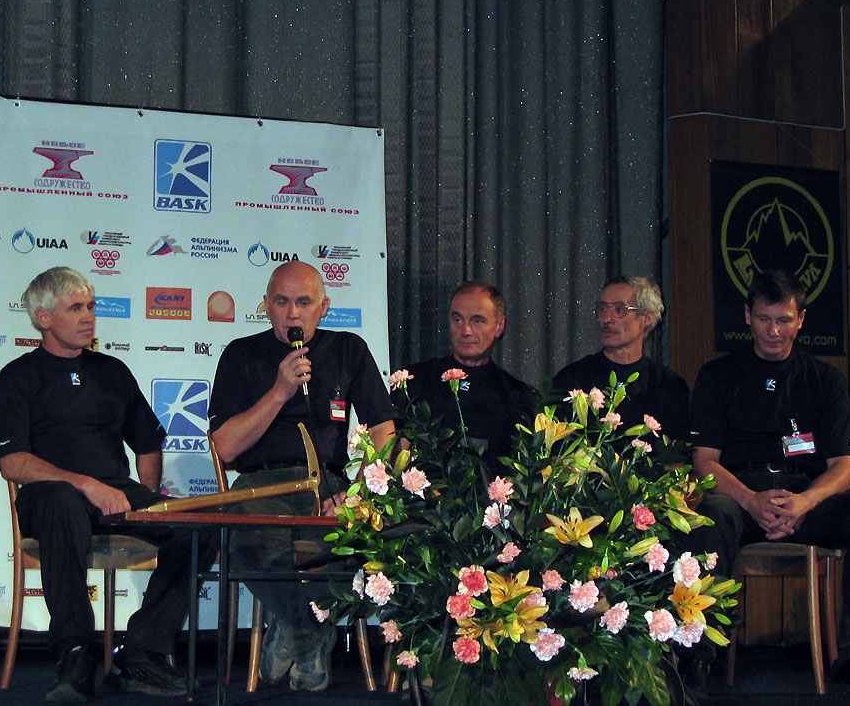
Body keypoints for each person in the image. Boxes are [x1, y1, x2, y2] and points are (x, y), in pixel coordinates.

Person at [0, 267, 215, 701]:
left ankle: (142, 652)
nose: (88, 316)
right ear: (43, 318)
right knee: (62, 501)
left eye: (91, 306)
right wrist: (86, 485)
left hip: (114, 494)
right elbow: (12, 461)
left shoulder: (112, 371)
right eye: (76, 308)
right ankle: (75, 651)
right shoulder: (19, 375)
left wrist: (149, 500)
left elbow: (147, 442)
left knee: (198, 527)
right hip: (49, 497)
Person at [679, 270, 850, 697]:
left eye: (784, 320)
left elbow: (844, 468)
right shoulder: (718, 375)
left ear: (801, 320)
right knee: (709, 515)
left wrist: (805, 502)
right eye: (764, 319)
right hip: (739, 497)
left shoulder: (825, 380)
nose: (773, 331)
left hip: (805, 497)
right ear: (747, 316)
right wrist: (750, 500)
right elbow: (704, 463)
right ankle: (695, 659)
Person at [208, 260, 394, 692]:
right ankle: (310, 637)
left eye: (304, 302)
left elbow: (384, 431)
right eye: (282, 302)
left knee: (356, 543)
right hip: (261, 485)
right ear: (266, 305)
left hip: (328, 484)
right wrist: (279, 391)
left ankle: (290, 629)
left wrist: (360, 491)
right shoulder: (241, 354)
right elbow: (225, 448)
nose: (293, 313)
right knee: (247, 545)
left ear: (323, 306)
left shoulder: (348, 348)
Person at [395, 281, 535, 463]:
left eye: (477, 321)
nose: (466, 331)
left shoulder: (516, 395)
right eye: (458, 320)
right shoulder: (415, 380)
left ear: (499, 326)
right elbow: (392, 450)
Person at [553, 275, 690, 441]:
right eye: (603, 309)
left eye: (619, 310)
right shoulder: (573, 379)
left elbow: (675, 453)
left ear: (646, 318)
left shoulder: (669, 386)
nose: (606, 319)